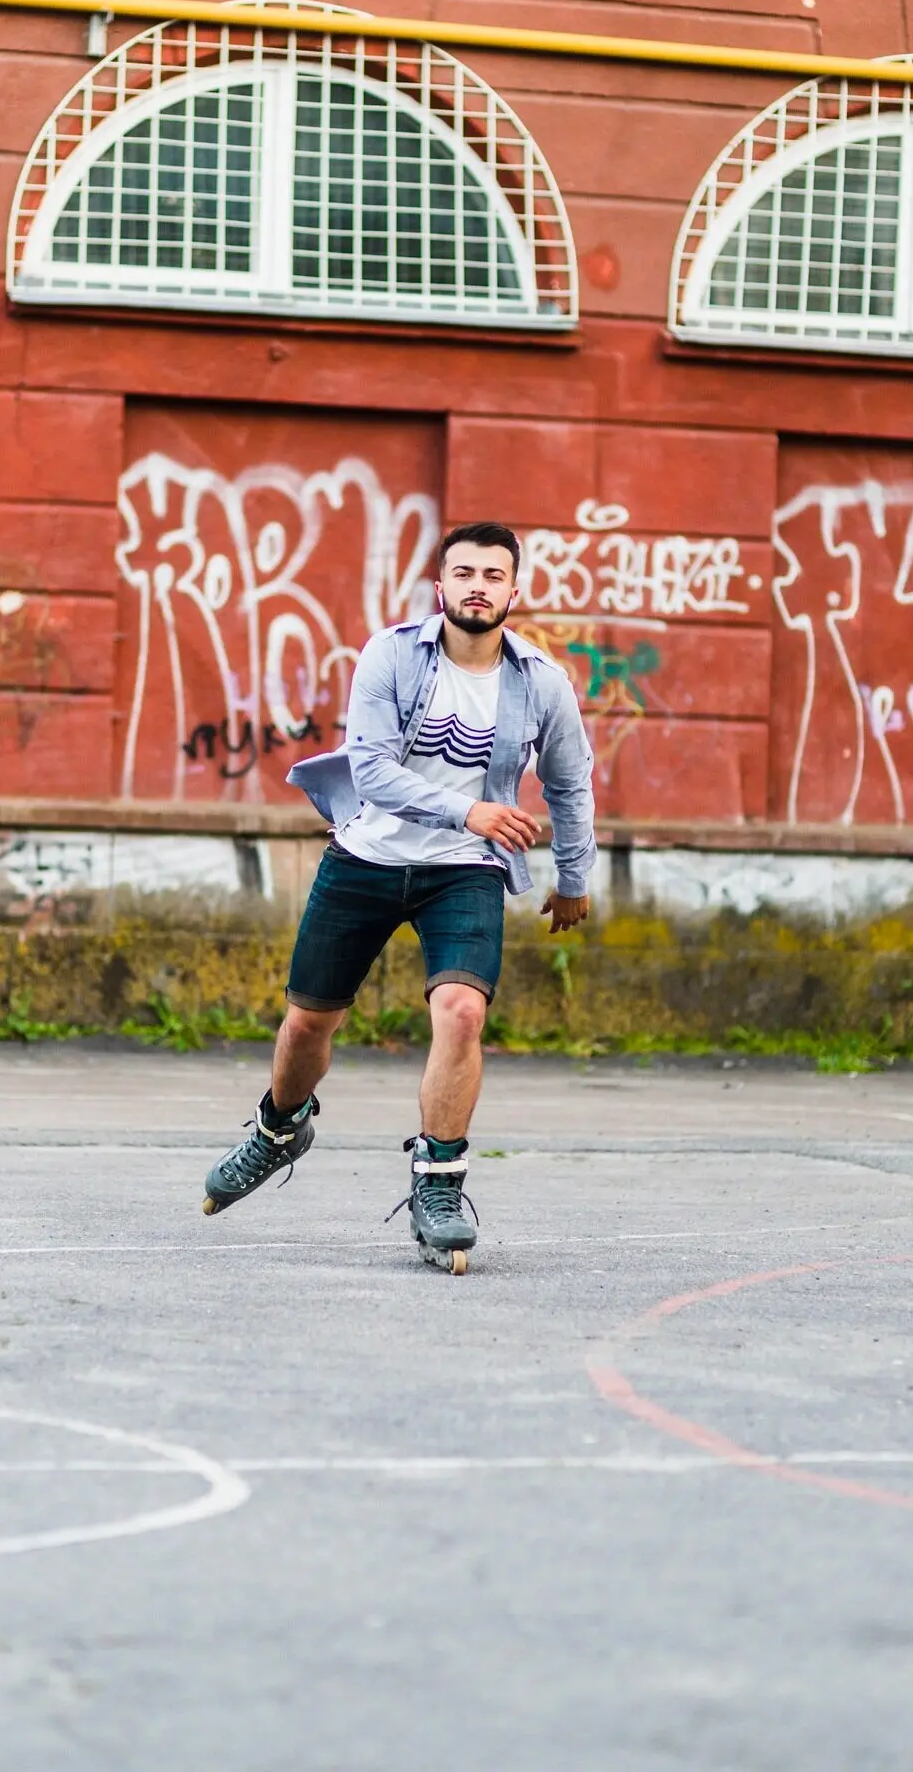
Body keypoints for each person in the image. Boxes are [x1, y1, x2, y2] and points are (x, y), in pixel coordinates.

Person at [202, 521, 597, 1273]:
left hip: (463, 870)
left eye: (493, 574)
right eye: (463, 572)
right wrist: (471, 810)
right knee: (307, 1024)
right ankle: (280, 1127)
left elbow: (570, 783)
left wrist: (573, 878)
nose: (478, 585)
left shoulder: (541, 681)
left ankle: (438, 1184)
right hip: (365, 856)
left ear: (514, 592)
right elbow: (372, 770)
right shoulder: (391, 654)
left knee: (462, 1011)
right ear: (440, 586)